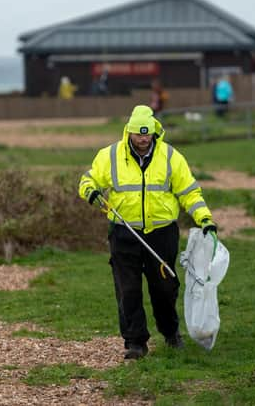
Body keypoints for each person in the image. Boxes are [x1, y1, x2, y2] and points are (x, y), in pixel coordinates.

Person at [78, 105, 217, 360]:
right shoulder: (109, 156)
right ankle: (135, 342)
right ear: (128, 132)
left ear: (155, 132)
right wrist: (91, 192)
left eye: (148, 134)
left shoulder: (171, 157)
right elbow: (88, 180)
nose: (143, 139)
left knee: (164, 288)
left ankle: (171, 332)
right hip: (123, 233)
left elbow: (189, 193)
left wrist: (204, 218)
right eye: (138, 134)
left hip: (162, 234)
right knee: (127, 289)